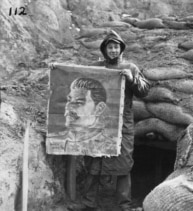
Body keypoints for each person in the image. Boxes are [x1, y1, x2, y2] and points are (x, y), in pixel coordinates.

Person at [80, 30, 150, 211]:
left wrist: (132, 79)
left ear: (121, 49)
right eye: (109, 47)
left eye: (116, 47)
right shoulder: (96, 67)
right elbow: (80, 80)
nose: (113, 50)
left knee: (123, 163)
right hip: (98, 121)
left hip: (122, 123)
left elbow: (144, 90)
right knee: (93, 160)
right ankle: (88, 203)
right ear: (104, 50)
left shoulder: (130, 67)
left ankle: (123, 205)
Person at [47, 77, 116, 156]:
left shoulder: (110, 146)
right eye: (69, 100)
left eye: (79, 102)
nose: (69, 107)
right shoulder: (52, 140)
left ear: (99, 109)